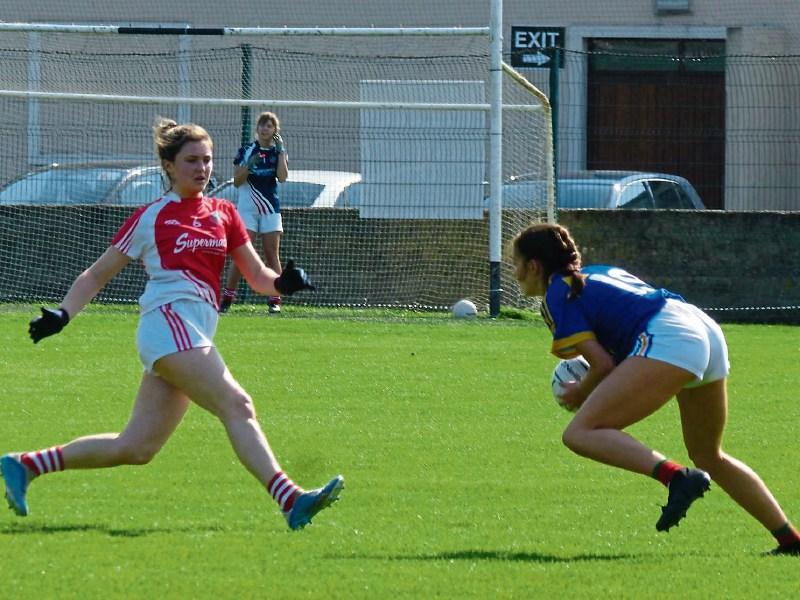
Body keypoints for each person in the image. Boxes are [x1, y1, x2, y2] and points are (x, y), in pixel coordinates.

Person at [1, 118, 343, 530]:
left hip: (190, 335)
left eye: (207, 160)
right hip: (167, 325)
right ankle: (290, 499)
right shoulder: (152, 216)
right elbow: (97, 274)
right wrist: (63, 313)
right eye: (191, 160)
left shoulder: (225, 213)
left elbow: (256, 276)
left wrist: (283, 284)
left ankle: (26, 465)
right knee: (237, 404)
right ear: (168, 165)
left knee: (136, 447)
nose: (202, 168)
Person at [511, 222, 800, 555]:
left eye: (516, 263)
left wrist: (581, 392)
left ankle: (676, 477)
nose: (515, 273)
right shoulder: (596, 272)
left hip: (670, 336)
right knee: (708, 454)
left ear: (534, 266)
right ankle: (791, 540)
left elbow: (602, 365)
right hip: (701, 328)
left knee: (580, 433)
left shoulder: (557, 294)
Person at [220, 111, 288, 314]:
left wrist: (281, 151)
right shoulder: (247, 150)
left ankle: (275, 299)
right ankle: (227, 298)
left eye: (269, 126)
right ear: (257, 128)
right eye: (262, 125)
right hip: (247, 211)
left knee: (272, 254)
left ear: (275, 130)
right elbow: (237, 181)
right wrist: (249, 165)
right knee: (241, 255)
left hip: (270, 210)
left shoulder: (277, 153)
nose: (265, 129)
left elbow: (282, 177)